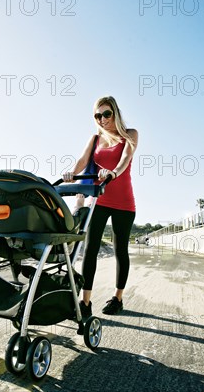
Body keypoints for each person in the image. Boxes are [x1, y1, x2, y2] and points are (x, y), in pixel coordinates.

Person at [63, 96, 138, 316]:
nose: (102, 119)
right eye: (98, 115)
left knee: (120, 250)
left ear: (115, 112)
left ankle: (118, 297)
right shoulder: (95, 139)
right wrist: (71, 173)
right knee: (90, 249)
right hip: (98, 198)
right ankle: (85, 302)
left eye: (106, 114)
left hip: (124, 201)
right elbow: (82, 161)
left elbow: (125, 159)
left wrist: (113, 172)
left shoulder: (130, 135)